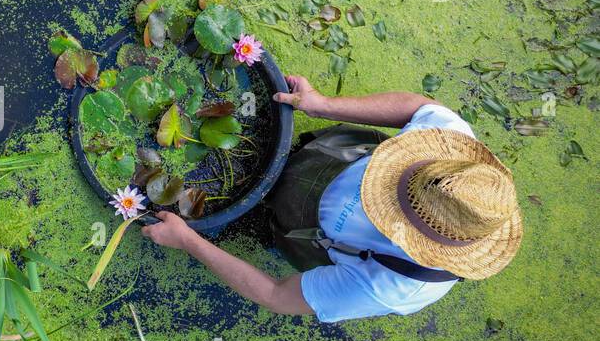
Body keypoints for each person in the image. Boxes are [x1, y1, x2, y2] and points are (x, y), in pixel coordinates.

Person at [141, 75, 522, 322]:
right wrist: (322, 104)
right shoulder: (457, 160)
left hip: (308, 227)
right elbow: (419, 107)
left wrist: (189, 241)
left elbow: (277, 294)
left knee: (265, 222)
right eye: (394, 182)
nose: (386, 195)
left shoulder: (395, 284)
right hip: (337, 156)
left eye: (394, 206)